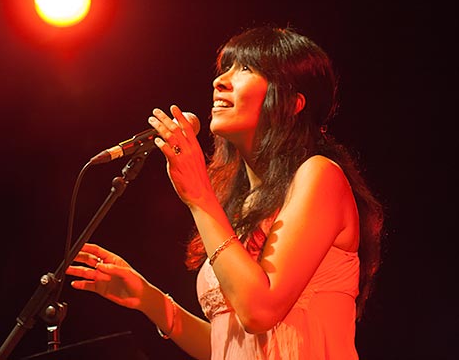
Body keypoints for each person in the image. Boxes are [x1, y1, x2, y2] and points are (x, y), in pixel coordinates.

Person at [65, 26, 384, 359]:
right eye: (224, 69)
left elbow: (259, 312)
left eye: (246, 69)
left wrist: (198, 196)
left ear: (292, 102)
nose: (220, 81)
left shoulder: (320, 176)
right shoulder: (243, 205)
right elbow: (229, 347)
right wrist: (150, 300)